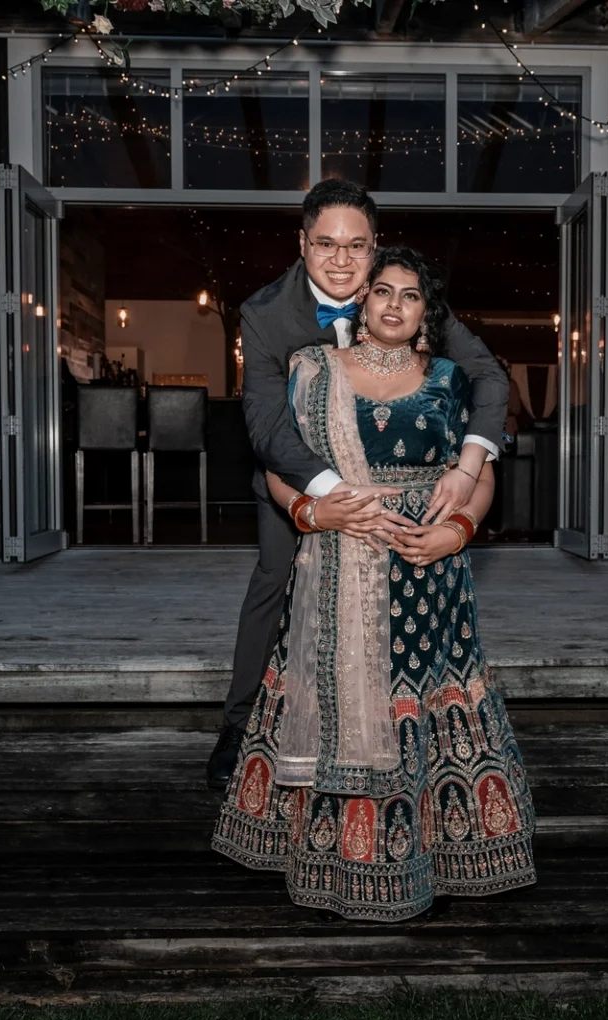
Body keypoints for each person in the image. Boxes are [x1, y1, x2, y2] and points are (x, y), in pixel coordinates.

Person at [211, 246, 536, 921]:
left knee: (414, 704)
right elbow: (280, 460)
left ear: (425, 313)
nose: (392, 303)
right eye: (381, 290)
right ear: (363, 302)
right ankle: (332, 864)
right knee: (343, 702)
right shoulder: (313, 370)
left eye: (409, 295)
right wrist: (309, 509)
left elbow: (479, 472)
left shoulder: (449, 380)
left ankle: (434, 860)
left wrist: (460, 530)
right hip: (336, 565)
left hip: (429, 575)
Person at [208, 180, 509, 791]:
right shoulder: (265, 315)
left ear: (375, 248)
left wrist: (468, 465)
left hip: (405, 486)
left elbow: (488, 378)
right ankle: (242, 728)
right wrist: (333, 497)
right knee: (275, 578)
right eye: (326, 244)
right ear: (302, 244)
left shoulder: (401, 296)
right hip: (299, 474)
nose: (341, 260)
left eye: (356, 246)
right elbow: (268, 428)